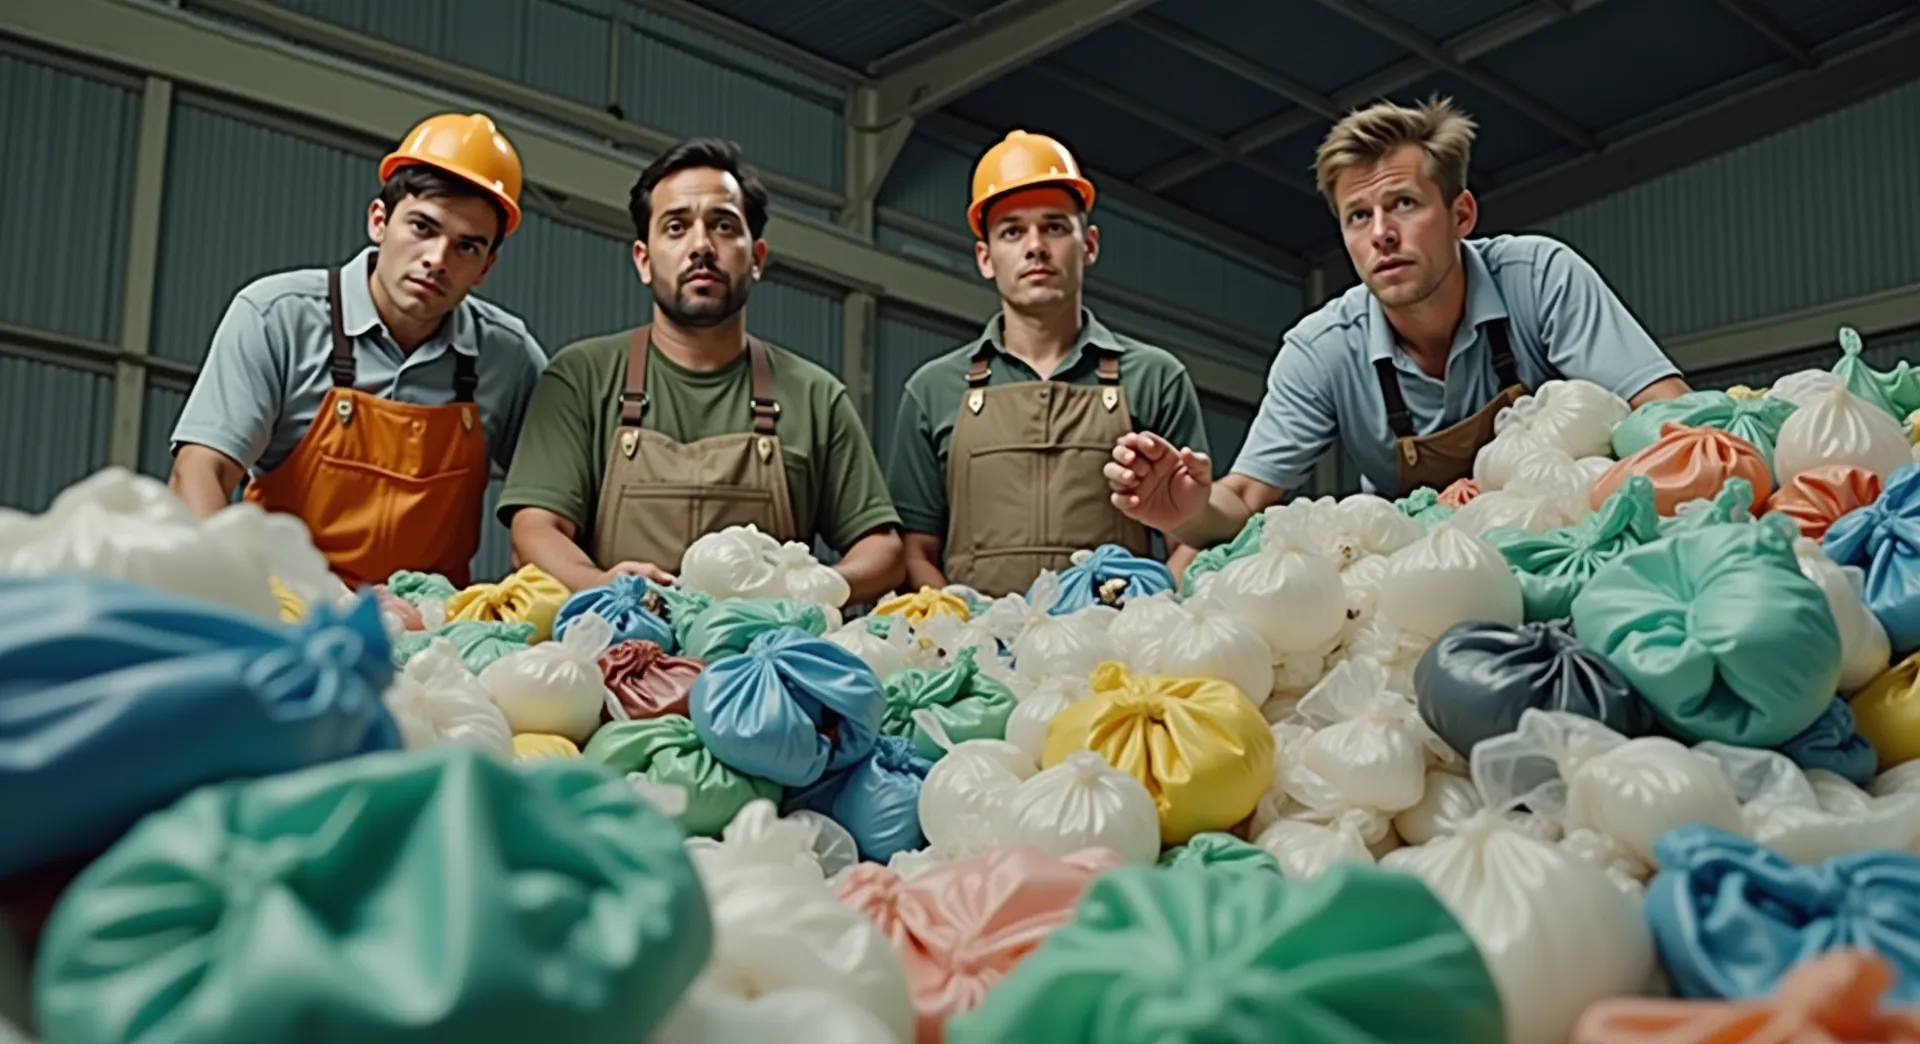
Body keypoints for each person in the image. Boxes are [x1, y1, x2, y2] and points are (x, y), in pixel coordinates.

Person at [1105, 97, 1691, 549]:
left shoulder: (1539, 278)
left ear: (1461, 214)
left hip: (1571, 545)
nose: (1381, 232)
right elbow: (1243, 497)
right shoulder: (1322, 351)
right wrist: (1186, 512)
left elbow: (1665, 414)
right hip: (1419, 592)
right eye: (1358, 215)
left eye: (1404, 204)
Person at [497, 137, 905, 601]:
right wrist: (603, 587)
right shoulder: (581, 378)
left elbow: (883, 548)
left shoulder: (815, 396)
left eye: (724, 226)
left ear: (757, 259)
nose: (701, 246)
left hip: (767, 663)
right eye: (675, 227)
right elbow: (534, 530)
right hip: (613, 660)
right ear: (644, 260)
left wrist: (805, 591)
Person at [167, 113, 548, 589]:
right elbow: (200, 469)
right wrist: (226, 593)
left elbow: (556, 503)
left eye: (466, 247)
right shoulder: (277, 317)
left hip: (427, 635)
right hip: (282, 614)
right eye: (422, 228)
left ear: (487, 266)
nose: (437, 259)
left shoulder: (508, 359)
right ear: (379, 221)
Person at [885, 130, 1210, 597]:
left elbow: (1189, 539)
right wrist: (961, 631)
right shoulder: (933, 389)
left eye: (1055, 226)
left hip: (1115, 656)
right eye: (1012, 231)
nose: (1035, 246)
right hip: (977, 657)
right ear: (985, 257)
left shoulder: (1155, 377)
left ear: (1090, 244)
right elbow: (915, 550)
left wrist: (1147, 616)